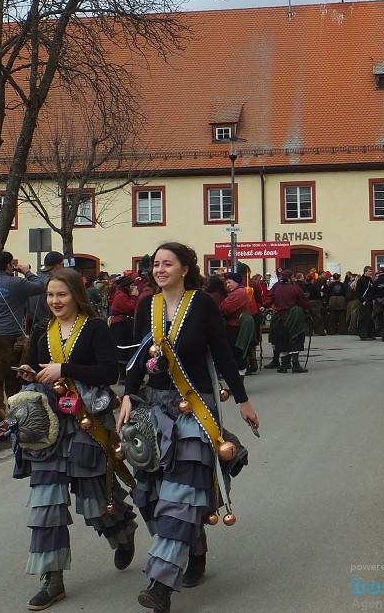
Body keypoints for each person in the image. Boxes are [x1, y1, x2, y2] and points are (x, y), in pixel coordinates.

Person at [117, 242, 259, 612]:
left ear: (185, 268)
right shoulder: (146, 306)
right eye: (156, 265)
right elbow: (136, 356)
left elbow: (223, 354)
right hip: (154, 410)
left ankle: (161, 585)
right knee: (150, 494)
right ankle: (194, 549)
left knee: (180, 496)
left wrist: (242, 399)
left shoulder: (203, 304)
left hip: (194, 411)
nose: (160, 269)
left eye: (168, 264)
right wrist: (128, 396)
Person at [15, 269, 138, 611]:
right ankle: (52, 581)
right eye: (50, 296)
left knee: (94, 500)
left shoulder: (96, 327)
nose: (54, 301)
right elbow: (30, 366)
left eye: (61, 295)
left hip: (87, 423)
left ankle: (123, 532)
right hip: (49, 428)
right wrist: (28, 373)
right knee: (47, 506)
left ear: (76, 297)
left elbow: (110, 372)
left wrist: (65, 368)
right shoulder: (41, 329)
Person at [0, 252, 47, 427]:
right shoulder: (17, 283)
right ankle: (18, 419)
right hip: (12, 338)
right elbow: (41, 286)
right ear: (9, 266)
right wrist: (27, 271)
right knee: (14, 379)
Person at [265, 269, 310, 373]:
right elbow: (304, 302)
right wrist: (307, 310)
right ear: (290, 278)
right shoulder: (296, 289)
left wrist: (263, 306)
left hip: (280, 317)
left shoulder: (277, 289)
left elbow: (270, 299)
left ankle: (284, 365)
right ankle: (295, 365)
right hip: (293, 316)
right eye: (293, 277)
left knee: (283, 340)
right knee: (295, 339)